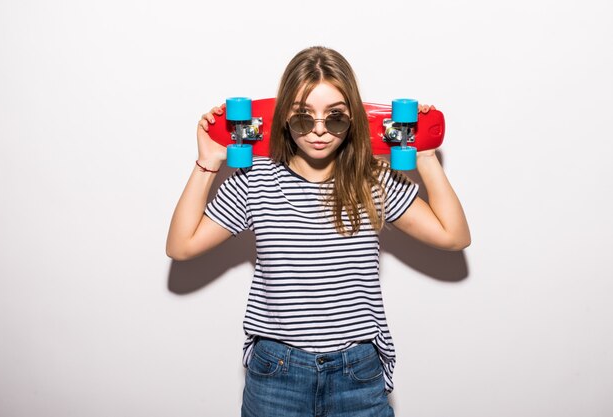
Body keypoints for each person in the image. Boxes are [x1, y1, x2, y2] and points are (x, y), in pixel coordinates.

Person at [166, 46, 470, 417]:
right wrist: (208, 162)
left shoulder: (372, 181)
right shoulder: (255, 182)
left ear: (353, 119)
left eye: (336, 118)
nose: (320, 132)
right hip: (277, 370)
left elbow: (454, 236)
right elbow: (181, 246)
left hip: (356, 371)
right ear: (283, 121)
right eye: (303, 119)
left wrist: (423, 156)